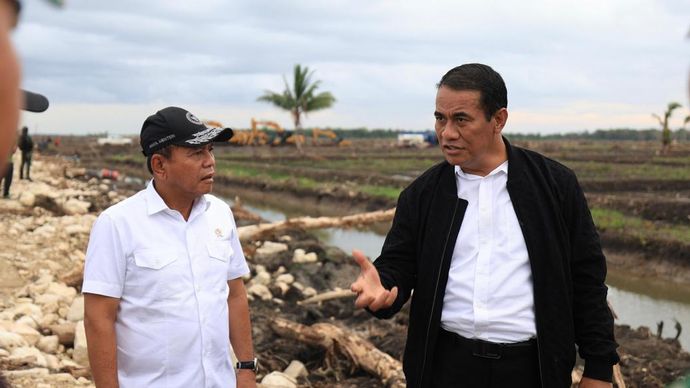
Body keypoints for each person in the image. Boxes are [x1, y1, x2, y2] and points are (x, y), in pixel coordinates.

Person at [350, 63, 619, 388]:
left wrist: (599, 367)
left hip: (532, 371)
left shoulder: (554, 187)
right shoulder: (422, 195)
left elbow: (587, 279)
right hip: (444, 369)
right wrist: (382, 291)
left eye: (461, 119)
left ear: (499, 120)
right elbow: (398, 268)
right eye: (440, 118)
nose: (447, 132)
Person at [82, 107, 257, 388]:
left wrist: (246, 368)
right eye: (196, 153)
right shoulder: (117, 224)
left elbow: (234, 295)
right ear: (160, 165)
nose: (210, 162)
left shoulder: (221, 214)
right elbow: (98, 318)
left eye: (210, 150)